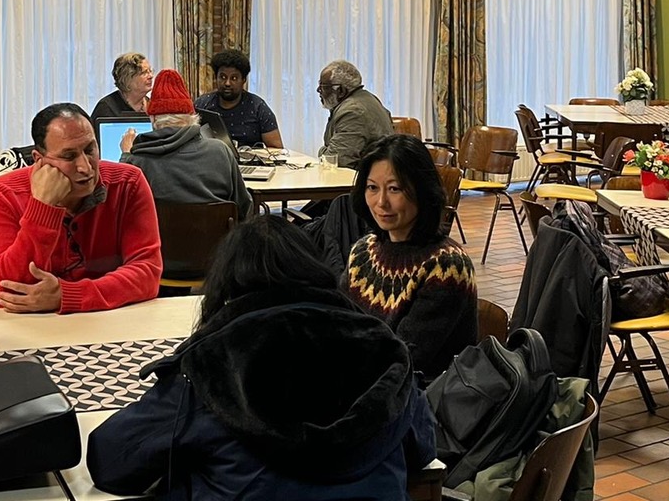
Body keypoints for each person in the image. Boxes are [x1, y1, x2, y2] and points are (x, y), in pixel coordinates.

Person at [88, 216, 435, 500]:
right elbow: (423, 448)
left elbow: (112, 462)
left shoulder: (212, 367)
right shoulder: (383, 352)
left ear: (225, 289)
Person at [0, 102, 161, 313]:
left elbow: (147, 272)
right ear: (39, 160)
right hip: (26, 324)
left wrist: (69, 295)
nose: (85, 167)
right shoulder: (0, 195)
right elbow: (4, 289)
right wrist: (43, 206)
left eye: (90, 150)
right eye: (68, 156)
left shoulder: (128, 182)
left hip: (107, 320)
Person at [344, 135, 478, 381]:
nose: (381, 202)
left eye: (394, 189)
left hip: (420, 394)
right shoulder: (363, 252)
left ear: (422, 190)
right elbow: (338, 324)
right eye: (372, 188)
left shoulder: (446, 266)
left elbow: (405, 360)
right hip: (364, 381)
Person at [121, 70, 251, 257]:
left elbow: (121, 212)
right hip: (216, 261)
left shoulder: (137, 161)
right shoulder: (220, 152)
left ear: (153, 119)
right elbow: (244, 207)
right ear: (192, 117)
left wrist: (126, 155)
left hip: (157, 262)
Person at [193, 48, 283, 149]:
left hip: (249, 158)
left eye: (234, 78)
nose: (227, 83)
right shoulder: (202, 105)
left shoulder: (258, 107)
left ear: (243, 80)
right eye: (223, 77)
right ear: (216, 78)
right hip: (213, 157)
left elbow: (277, 150)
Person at [318, 59, 395, 169]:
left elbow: (335, 161)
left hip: (362, 177)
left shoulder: (352, 112)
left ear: (341, 91)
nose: (318, 90)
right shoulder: (368, 98)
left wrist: (321, 151)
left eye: (324, 87)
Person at [90, 52, 153, 121]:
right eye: (144, 73)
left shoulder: (152, 105)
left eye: (150, 71)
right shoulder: (106, 107)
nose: (151, 76)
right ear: (127, 78)